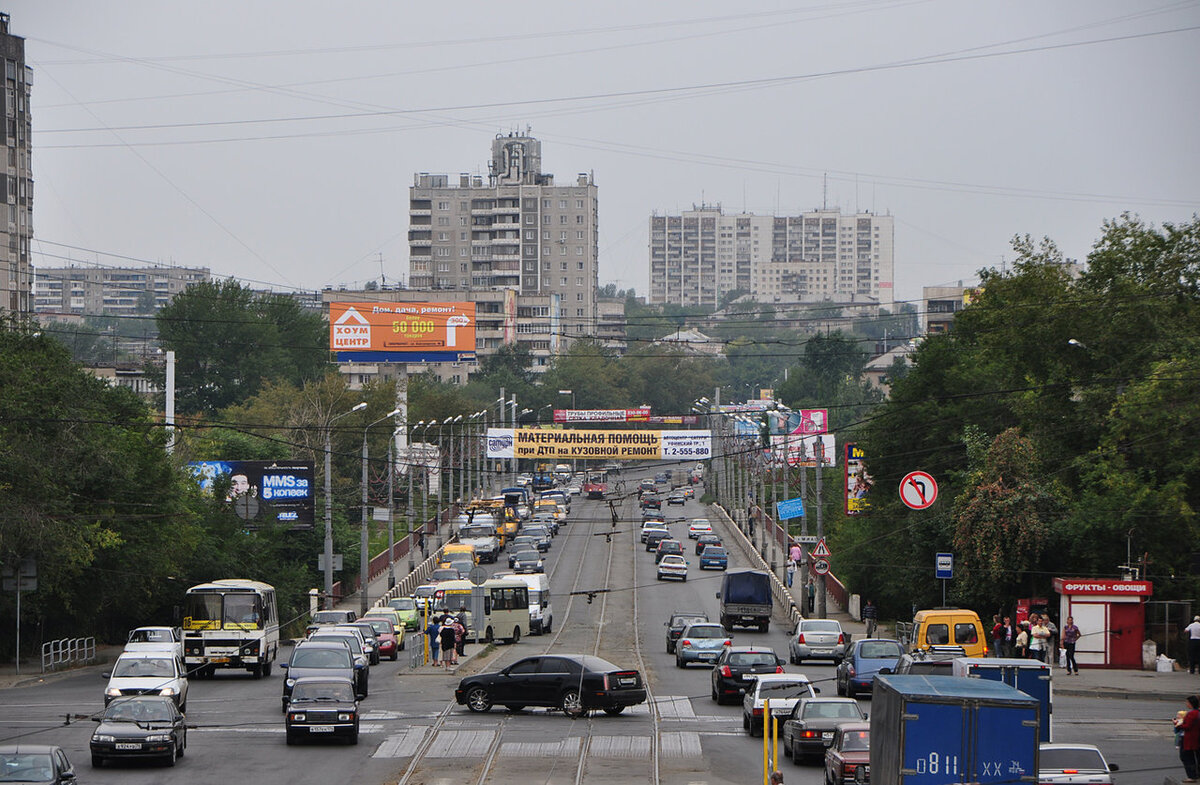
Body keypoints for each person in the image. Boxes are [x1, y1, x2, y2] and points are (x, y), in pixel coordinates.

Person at [1176, 695, 1200, 782]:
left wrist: (1177, 724)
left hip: (1188, 739)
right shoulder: (1197, 712)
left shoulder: (1192, 714)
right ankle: (1195, 775)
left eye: (1187, 702)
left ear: (1191, 704)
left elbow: (1187, 726)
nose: (1186, 704)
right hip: (1195, 738)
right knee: (1194, 757)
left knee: (1186, 757)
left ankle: (1192, 776)